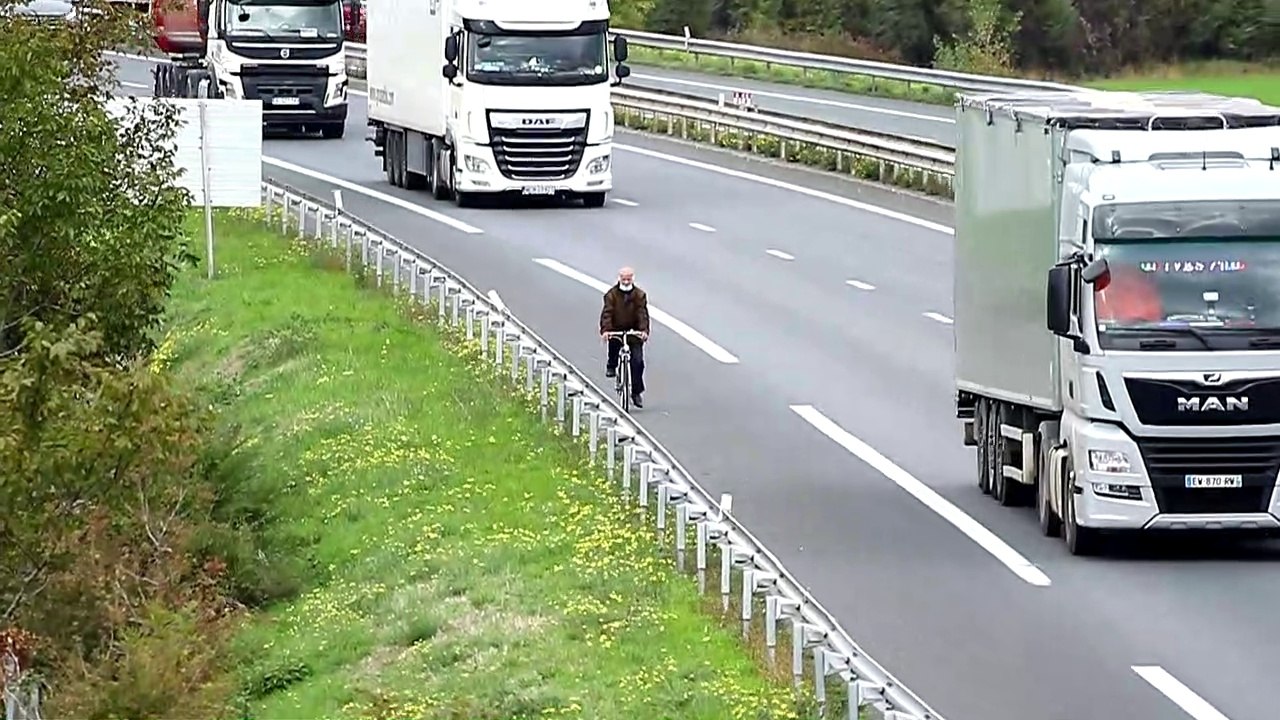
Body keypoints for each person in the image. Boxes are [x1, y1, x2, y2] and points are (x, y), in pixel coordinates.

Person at [600, 266, 650, 408]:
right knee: (614, 345)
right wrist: (606, 330)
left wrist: (643, 331)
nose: (626, 282)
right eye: (624, 279)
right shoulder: (611, 295)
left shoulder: (639, 295)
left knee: (638, 362)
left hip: (634, 332)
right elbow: (607, 313)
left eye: (629, 279)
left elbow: (642, 314)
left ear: (632, 278)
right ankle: (612, 365)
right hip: (616, 330)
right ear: (619, 278)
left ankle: (636, 392)